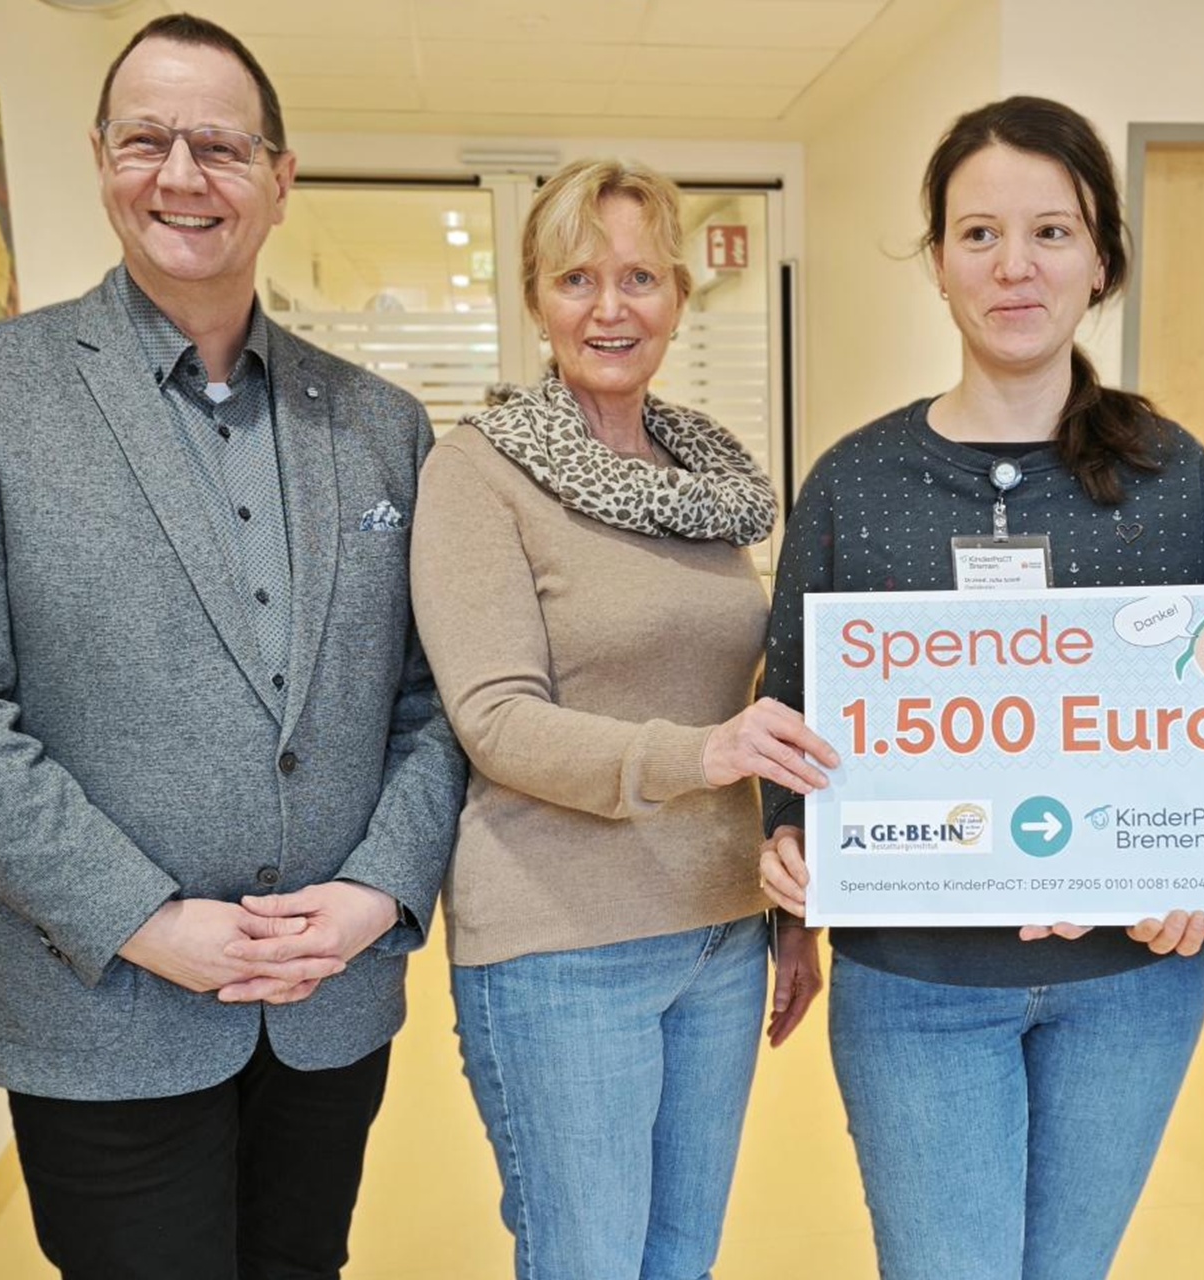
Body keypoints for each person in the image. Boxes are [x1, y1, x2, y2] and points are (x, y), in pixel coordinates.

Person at [0, 15, 465, 1279]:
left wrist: (376, 890)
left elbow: (432, 697)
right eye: (146, 140)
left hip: (326, 1001)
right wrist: (139, 916)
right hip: (102, 1005)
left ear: (280, 178)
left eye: (220, 147)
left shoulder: (381, 424)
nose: (181, 175)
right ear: (100, 158)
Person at [756, 97, 1204, 1280]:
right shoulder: (854, 482)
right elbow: (793, 706)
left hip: (1128, 985)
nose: (1012, 266)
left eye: (1050, 232)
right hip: (914, 981)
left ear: (1100, 260)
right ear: (936, 261)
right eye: (977, 234)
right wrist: (785, 848)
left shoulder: (1172, 479)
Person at [409, 158, 837, 1280]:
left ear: (680, 297)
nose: (611, 307)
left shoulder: (709, 481)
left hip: (719, 925)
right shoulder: (477, 474)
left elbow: (749, 698)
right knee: (588, 1262)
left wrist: (791, 908)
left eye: (640, 276)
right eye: (576, 278)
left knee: (681, 1257)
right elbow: (495, 719)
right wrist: (705, 753)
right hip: (561, 941)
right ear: (534, 299)